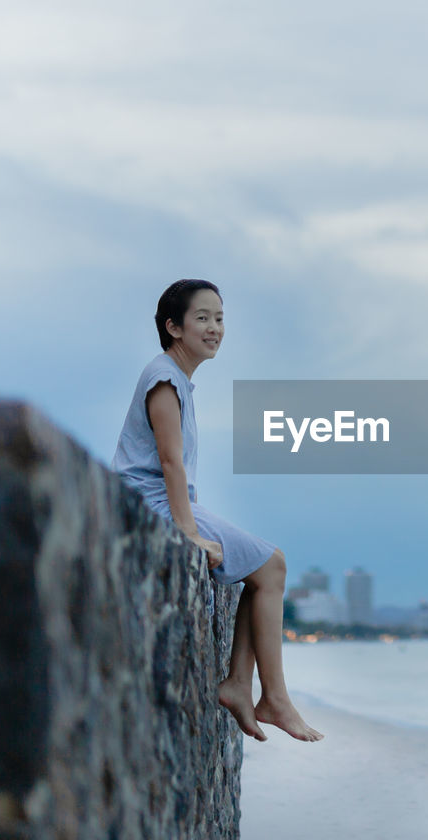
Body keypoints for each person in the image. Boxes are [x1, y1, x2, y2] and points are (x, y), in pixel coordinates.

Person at [112, 278, 323, 743]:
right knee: (272, 565)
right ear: (173, 327)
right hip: (149, 501)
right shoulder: (164, 378)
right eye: (202, 318)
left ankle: (240, 685)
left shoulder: (177, 379)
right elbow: (168, 462)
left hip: (158, 496)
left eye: (220, 318)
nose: (214, 328)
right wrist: (186, 532)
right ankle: (273, 698)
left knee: (265, 567)